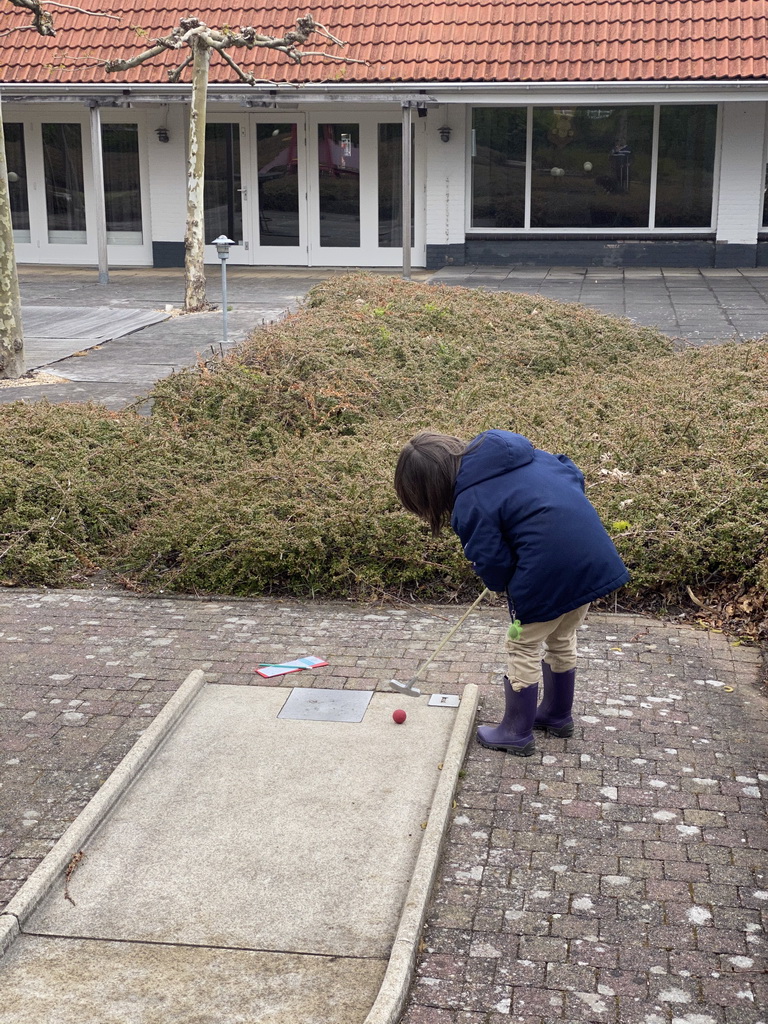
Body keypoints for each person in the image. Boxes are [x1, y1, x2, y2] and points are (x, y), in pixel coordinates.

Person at [394, 429, 629, 756]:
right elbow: (573, 472)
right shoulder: (531, 456)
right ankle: (557, 716)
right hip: (592, 562)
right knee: (561, 637)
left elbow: (491, 559)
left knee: (522, 645)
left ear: (429, 488)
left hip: (548, 574)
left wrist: (498, 580)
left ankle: (515, 731)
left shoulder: (470, 499)